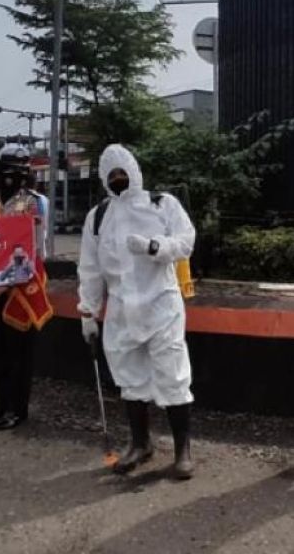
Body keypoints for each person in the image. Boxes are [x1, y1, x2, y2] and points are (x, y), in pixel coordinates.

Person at [78, 144, 197, 479]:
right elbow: (90, 269)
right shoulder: (98, 217)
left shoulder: (162, 204)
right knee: (130, 379)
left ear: (134, 172)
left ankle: (182, 450)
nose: (118, 180)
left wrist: (154, 247)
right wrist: (88, 312)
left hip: (161, 304)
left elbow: (187, 241)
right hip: (120, 310)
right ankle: (140, 444)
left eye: (122, 173)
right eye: (111, 175)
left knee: (173, 375)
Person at [0, 144, 51, 431]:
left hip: (19, 288)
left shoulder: (32, 203)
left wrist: (1, 285)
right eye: (2, 171)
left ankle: (17, 410)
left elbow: (30, 251)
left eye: (13, 172)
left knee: (18, 354)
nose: (6, 177)